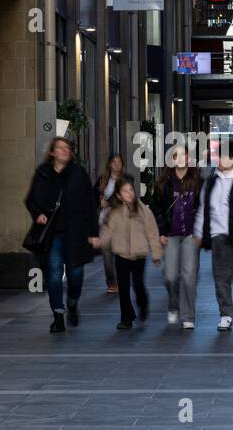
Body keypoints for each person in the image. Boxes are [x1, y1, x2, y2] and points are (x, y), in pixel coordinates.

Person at [24, 136, 101, 333]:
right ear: (52, 152)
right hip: (53, 234)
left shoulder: (78, 174)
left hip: (77, 233)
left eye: (67, 148)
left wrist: (93, 233)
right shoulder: (43, 173)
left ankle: (72, 303)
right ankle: (58, 315)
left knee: (76, 274)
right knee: (55, 274)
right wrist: (38, 214)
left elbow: (90, 205)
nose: (65, 150)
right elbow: (31, 199)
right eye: (60, 147)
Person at [194, 145, 233, 331]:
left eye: (222, 157)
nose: (219, 161)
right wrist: (199, 232)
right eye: (218, 157)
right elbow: (203, 208)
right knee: (221, 275)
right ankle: (225, 315)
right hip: (217, 234)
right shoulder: (211, 181)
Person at [99, 179, 162, 329]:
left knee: (138, 284)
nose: (129, 193)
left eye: (131, 190)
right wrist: (100, 241)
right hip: (121, 254)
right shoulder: (115, 212)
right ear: (119, 196)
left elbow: (152, 232)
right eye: (125, 191)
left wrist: (156, 254)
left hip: (139, 254)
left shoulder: (143, 211)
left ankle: (143, 302)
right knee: (124, 287)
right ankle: (126, 317)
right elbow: (108, 230)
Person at [151, 145, 202, 329]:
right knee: (170, 277)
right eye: (176, 154)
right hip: (170, 235)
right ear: (171, 159)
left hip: (190, 234)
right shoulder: (163, 183)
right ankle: (174, 305)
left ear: (188, 158)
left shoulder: (197, 181)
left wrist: (200, 231)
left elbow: (202, 208)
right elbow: (156, 210)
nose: (180, 157)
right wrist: (160, 232)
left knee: (189, 276)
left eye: (184, 154)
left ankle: (188, 316)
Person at [95, 154, 132, 294]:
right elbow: (94, 197)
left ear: (122, 165)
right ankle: (111, 282)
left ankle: (122, 280)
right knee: (106, 252)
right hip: (105, 222)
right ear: (109, 164)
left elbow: (128, 198)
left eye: (119, 162)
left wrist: (108, 202)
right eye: (114, 162)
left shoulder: (126, 180)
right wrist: (100, 201)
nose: (116, 165)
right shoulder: (102, 180)